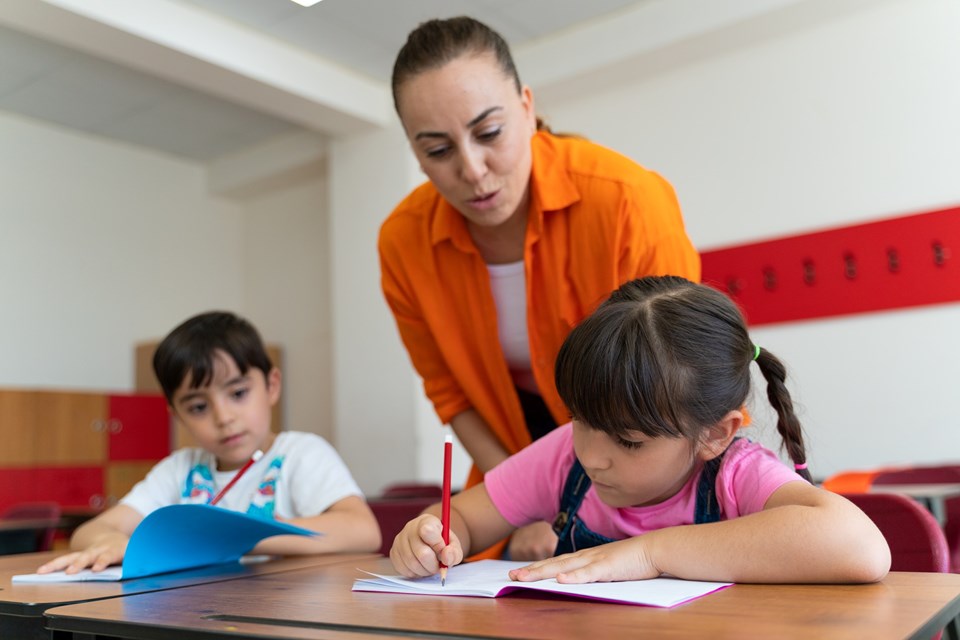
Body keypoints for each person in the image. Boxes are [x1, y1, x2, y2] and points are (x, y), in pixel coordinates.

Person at [379, 16, 700, 560]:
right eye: (438, 151)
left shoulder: (627, 201)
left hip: (642, 467)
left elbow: (676, 376)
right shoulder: (402, 244)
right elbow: (451, 395)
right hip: (509, 477)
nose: (473, 170)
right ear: (415, 152)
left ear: (527, 107)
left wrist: (574, 502)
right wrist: (528, 501)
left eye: (489, 133)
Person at [389, 276, 891, 585]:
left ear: (714, 434)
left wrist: (651, 553)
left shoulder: (735, 475)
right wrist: (434, 536)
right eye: (581, 422)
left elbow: (860, 548)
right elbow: (466, 521)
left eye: (629, 441)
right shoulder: (564, 457)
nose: (592, 456)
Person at [37, 311, 380, 575]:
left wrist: (229, 538)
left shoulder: (301, 454)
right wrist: (108, 540)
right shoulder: (180, 468)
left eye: (238, 393)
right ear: (177, 415)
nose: (223, 417)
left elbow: (362, 530)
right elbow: (90, 531)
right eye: (199, 407)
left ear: (272, 385)